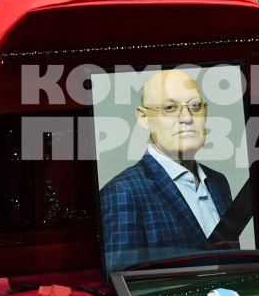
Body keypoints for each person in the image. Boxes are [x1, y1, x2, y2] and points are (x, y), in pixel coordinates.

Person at [99, 68, 237, 270]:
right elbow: (120, 283)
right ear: (144, 118)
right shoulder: (123, 192)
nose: (187, 118)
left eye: (195, 106)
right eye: (170, 108)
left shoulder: (218, 182)